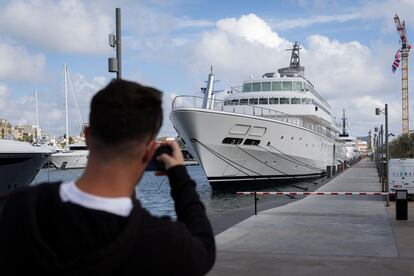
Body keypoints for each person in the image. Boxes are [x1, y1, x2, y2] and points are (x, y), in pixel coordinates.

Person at [0, 79, 215, 275]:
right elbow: (204, 248)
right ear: (149, 152)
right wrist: (179, 176)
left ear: (87, 137)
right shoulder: (162, 242)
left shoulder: (19, 209)